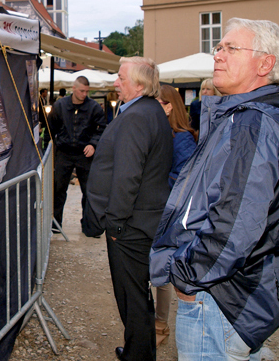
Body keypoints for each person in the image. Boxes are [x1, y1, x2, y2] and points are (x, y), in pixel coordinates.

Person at [150, 18, 279, 361]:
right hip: (235, 292)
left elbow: (234, 225)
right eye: (218, 47)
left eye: (232, 48)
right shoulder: (244, 117)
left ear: (265, 63)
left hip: (220, 296)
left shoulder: (251, 124)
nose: (219, 55)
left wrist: (187, 279)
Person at [83, 57, 173, 361]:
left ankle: (139, 356)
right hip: (142, 219)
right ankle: (139, 350)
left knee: (131, 297)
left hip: (131, 224)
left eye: (121, 77)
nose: (116, 82)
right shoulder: (149, 110)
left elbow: (127, 175)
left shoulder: (136, 116)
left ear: (138, 83)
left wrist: (116, 223)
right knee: (136, 295)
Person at [153, 84, 198, 346]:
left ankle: (161, 325)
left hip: (170, 213)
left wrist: (157, 182)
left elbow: (185, 178)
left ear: (169, 106)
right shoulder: (161, 132)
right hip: (157, 208)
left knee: (164, 271)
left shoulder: (181, 137)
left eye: (157, 102)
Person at [46, 76, 106, 230]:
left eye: (87, 91)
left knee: (88, 190)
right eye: (81, 91)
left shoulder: (94, 108)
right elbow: (50, 127)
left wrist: (93, 144)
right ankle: (55, 223)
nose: (84, 94)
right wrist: (48, 149)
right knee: (58, 188)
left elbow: (102, 129)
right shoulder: (60, 105)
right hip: (64, 152)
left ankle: (89, 224)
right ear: (74, 88)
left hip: (85, 154)